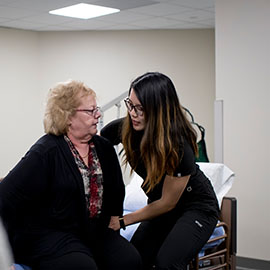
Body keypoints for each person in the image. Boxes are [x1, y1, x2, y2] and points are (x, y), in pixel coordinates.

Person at [0, 80, 142, 270]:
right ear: (67, 117)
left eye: (97, 109)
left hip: (94, 232)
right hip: (53, 234)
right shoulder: (46, 151)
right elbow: (7, 197)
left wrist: (113, 224)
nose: (98, 114)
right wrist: (5, 255)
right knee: (82, 267)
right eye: (91, 111)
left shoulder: (104, 149)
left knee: (129, 261)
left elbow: (116, 193)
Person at [100, 72, 220, 270]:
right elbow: (95, 148)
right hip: (161, 208)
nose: (133, 114)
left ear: (159, 110)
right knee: (133, 259)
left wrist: (122, 221)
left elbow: (167, 202)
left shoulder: (178, 146)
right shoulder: (122, 129)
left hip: (195, 207)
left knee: (167, 263)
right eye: (130, 105)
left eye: (141, 109)